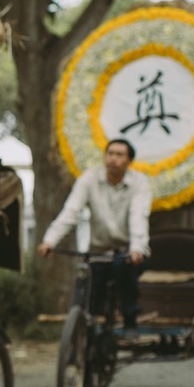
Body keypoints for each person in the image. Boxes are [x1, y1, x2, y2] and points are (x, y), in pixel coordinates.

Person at [37, 138, 151, 335]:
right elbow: (71, 212)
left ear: (129, 161)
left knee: (121, 266)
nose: (113, 159)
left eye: (119, 155)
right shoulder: (89, 179)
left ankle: (130, 318)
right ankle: (82, 332)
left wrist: (136, 248)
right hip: (99, 252)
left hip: (129, 253)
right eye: (110, 153)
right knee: (86, 282)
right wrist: (50, 240)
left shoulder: (139, 182)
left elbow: (138, 217)